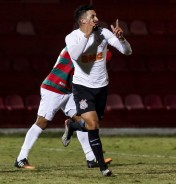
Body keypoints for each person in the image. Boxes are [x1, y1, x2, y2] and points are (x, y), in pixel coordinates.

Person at [62, 4, 132, 176]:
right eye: (93, 17)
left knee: (90, 125)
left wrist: (121, 39)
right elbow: (76, 55)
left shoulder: (104, 33)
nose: (96, 19)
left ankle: (72, 125)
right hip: (82, 87)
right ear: (83, 20)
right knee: (93, 125)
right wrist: (87, 35)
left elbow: (127, 51)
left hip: (101, 88)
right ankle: (103, 168)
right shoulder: (71, 38)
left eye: (96, 16)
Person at [14, 47, 112, 170]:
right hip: (54, 87)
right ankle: (21, 159)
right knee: (42, 122)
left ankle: (91, 158)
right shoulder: (76, 44)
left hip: (69, 90)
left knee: (82, 119)